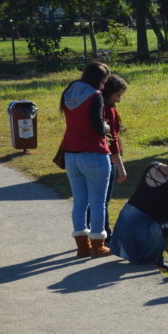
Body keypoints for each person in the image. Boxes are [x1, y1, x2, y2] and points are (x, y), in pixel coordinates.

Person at [58, 60, 112, 258]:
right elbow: (97, 127)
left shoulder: (69, 91)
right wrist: (106, 128)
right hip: (94, 153)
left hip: (71, 153)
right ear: (99, 80)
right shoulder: (95, 96)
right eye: (104, 80)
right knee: (98, 203)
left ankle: (82, 246)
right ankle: (98, 244)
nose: (104, 85)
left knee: (79, 201)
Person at [99, 74, 129, 242]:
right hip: (107, 160)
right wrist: (121, 167)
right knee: (103, 201)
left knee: (94, 201)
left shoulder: (97, 107)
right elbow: (112, 140)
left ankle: (93, 232)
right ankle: (105, 234)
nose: (119, 100)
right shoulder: (107, 110)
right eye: (118, 95)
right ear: (109, 92)